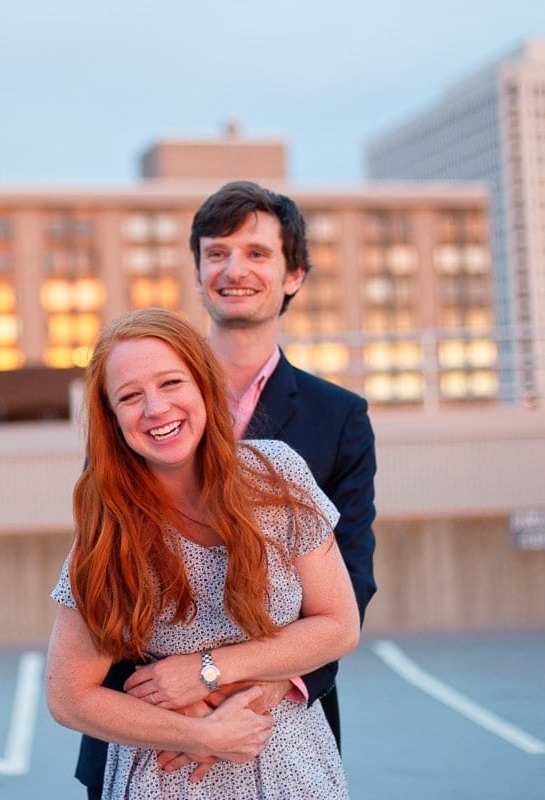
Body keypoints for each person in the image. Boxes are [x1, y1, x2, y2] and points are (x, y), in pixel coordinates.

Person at [75, 181, 378, 797]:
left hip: (278, 725)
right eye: (217, 253)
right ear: (197, 272)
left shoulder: (337, 417)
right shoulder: (137, 394)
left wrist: (253, 686)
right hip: (151, 737)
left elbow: (350, 578)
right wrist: (179, 713)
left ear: (294, 275)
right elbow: (111, 564)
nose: (234, 269)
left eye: (257, 253)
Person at [45, 308, 360, 799]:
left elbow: (339, 624)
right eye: (130, 396)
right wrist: (202, 735)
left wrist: (209, 670)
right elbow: (69, 695)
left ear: (204, 385)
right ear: (112, 419)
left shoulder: (277, 474)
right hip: (171, 778)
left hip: (292, 766)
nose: (155, 408)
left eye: (171, 383)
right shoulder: (111, 524)